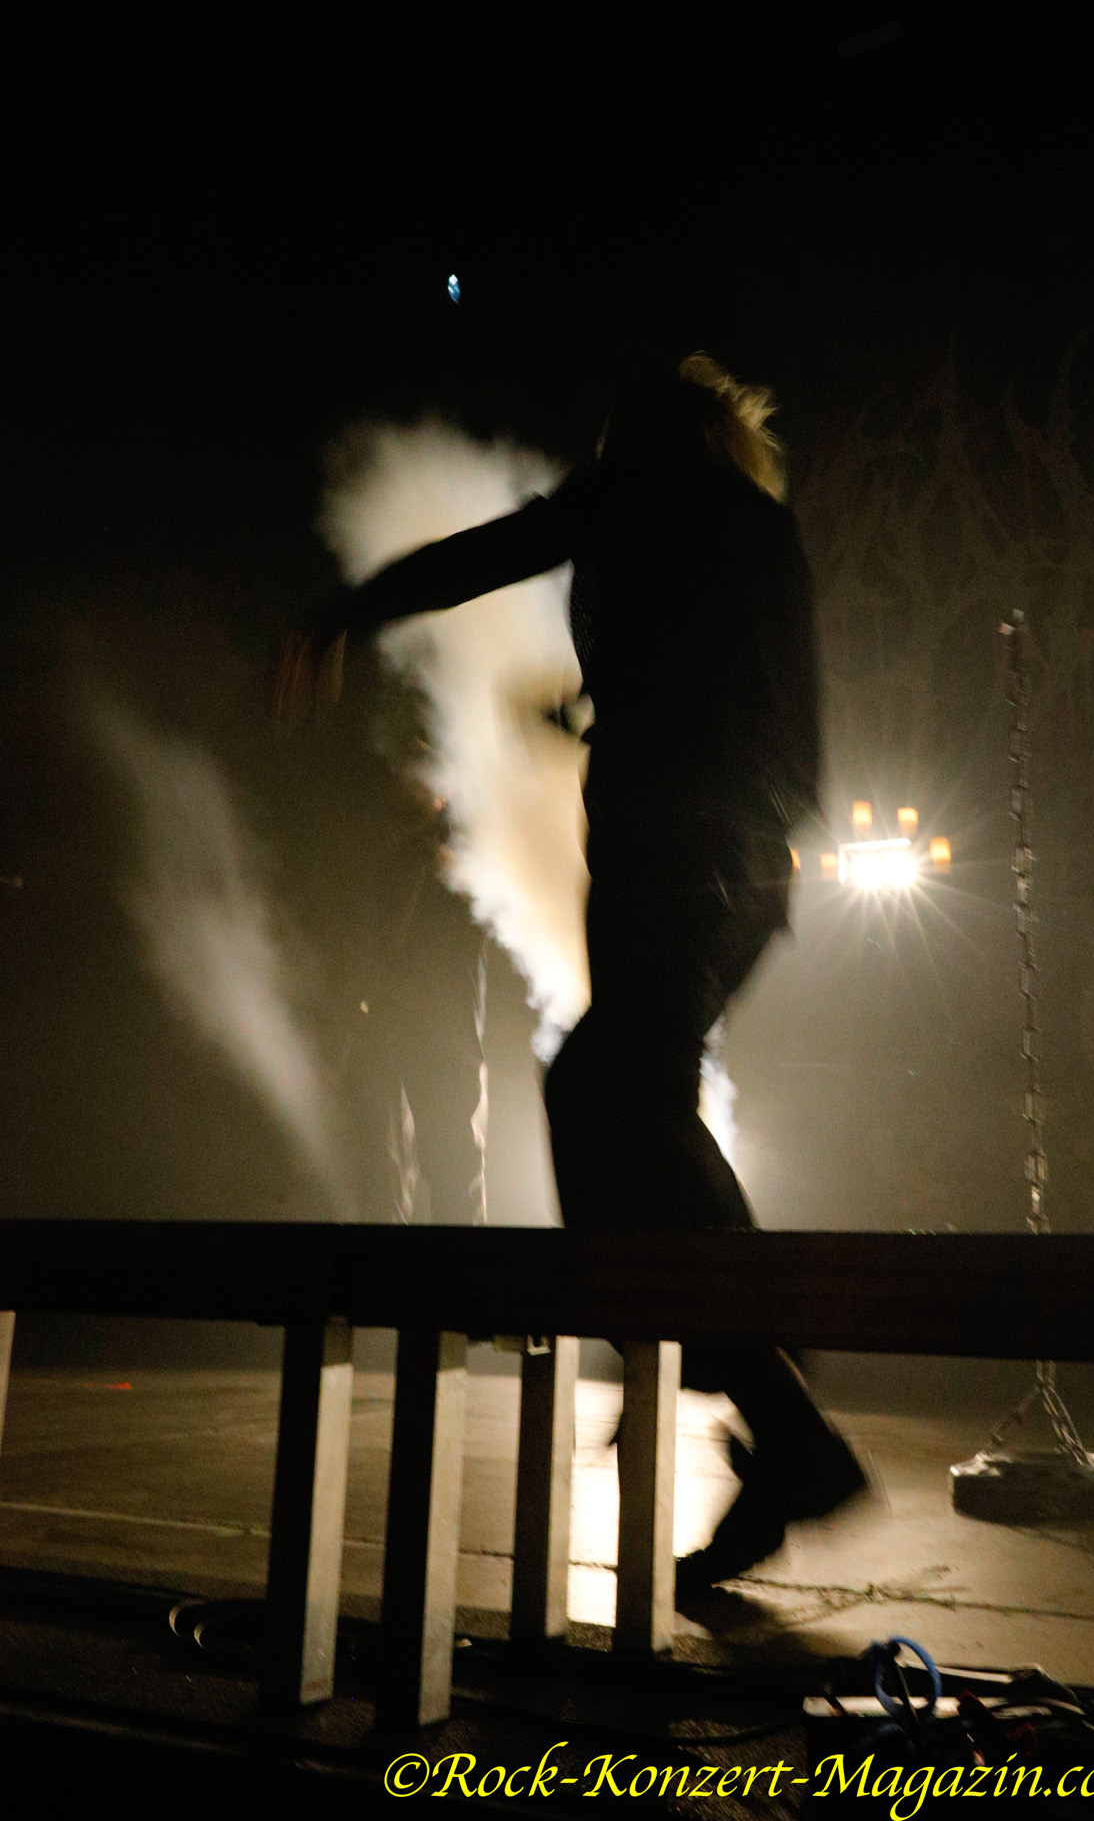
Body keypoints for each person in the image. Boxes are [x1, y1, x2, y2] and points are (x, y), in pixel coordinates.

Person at [276, 353, 866, 1591]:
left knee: (601, 1091)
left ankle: (729, 1380)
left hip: (670, 861)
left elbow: (492, 551)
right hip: (737, 867)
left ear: (638, 437)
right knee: (637, 1103)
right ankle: (767, 1403)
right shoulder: (758, 529)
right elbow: (766, 720)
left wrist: (346, 610)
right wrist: (608, 726)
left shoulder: (637, 488)